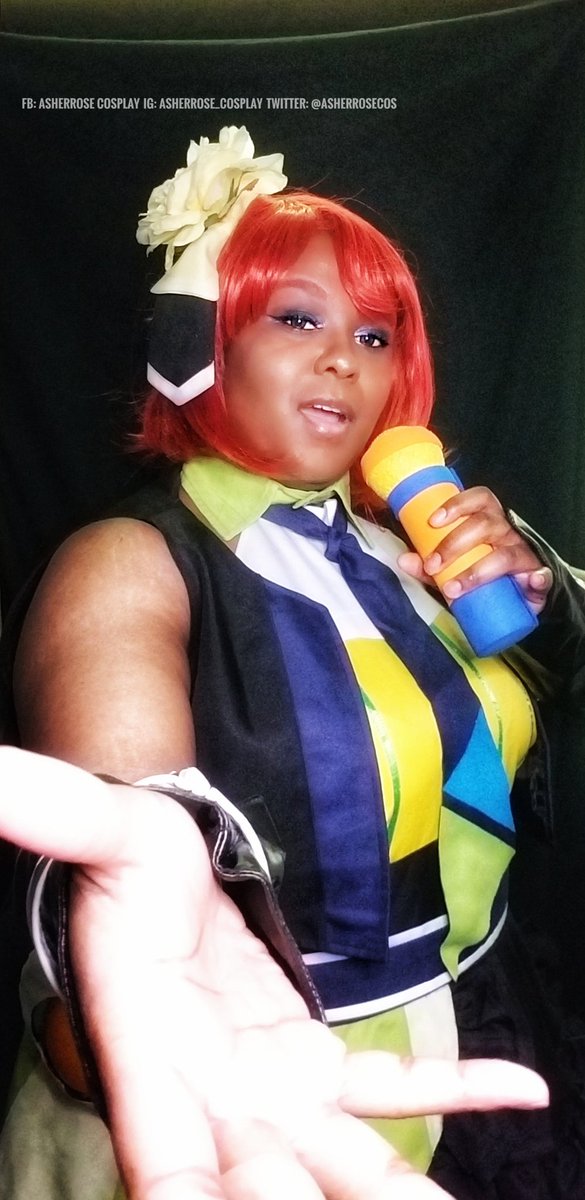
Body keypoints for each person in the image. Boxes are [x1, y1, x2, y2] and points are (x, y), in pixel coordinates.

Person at [1, 127, 584, 1199]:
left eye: (375, 335)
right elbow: (127, 840)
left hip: (487, 1040)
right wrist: (154, 983)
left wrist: (540, 589)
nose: (344, 360)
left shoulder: (416, 548)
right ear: (201, 342)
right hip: (249, 1086)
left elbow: (551, 694)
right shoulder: (125, 564)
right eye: (298, 319)